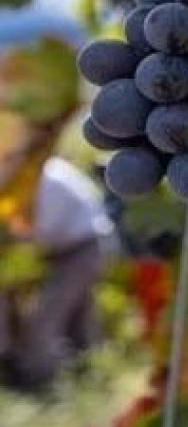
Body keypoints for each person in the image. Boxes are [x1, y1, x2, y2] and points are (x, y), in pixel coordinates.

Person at [0, 156, 115, 391]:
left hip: (83, 249)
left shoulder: (39, 180)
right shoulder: (43, 172)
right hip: (83, 246)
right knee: (79, 318)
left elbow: (31, 231)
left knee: (44, 318)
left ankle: (43, 384)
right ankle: (96, 376)